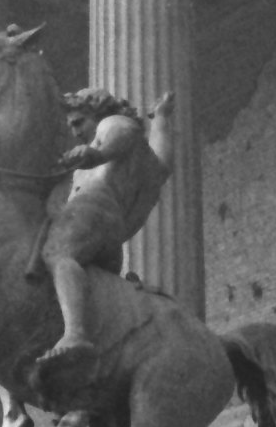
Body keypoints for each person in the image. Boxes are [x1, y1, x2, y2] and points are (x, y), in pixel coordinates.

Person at [38, 88, 174, 366]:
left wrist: (95, 154)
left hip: (94, 213)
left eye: (79, 122)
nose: (75, 131)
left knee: (58, 254)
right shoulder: (124, 158)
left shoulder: (113, 124)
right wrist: (160, 119)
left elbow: (117, 138)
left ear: (98, 113)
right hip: (107, 237)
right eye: (71, 126)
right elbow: (162, 164)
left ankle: (75, 334)